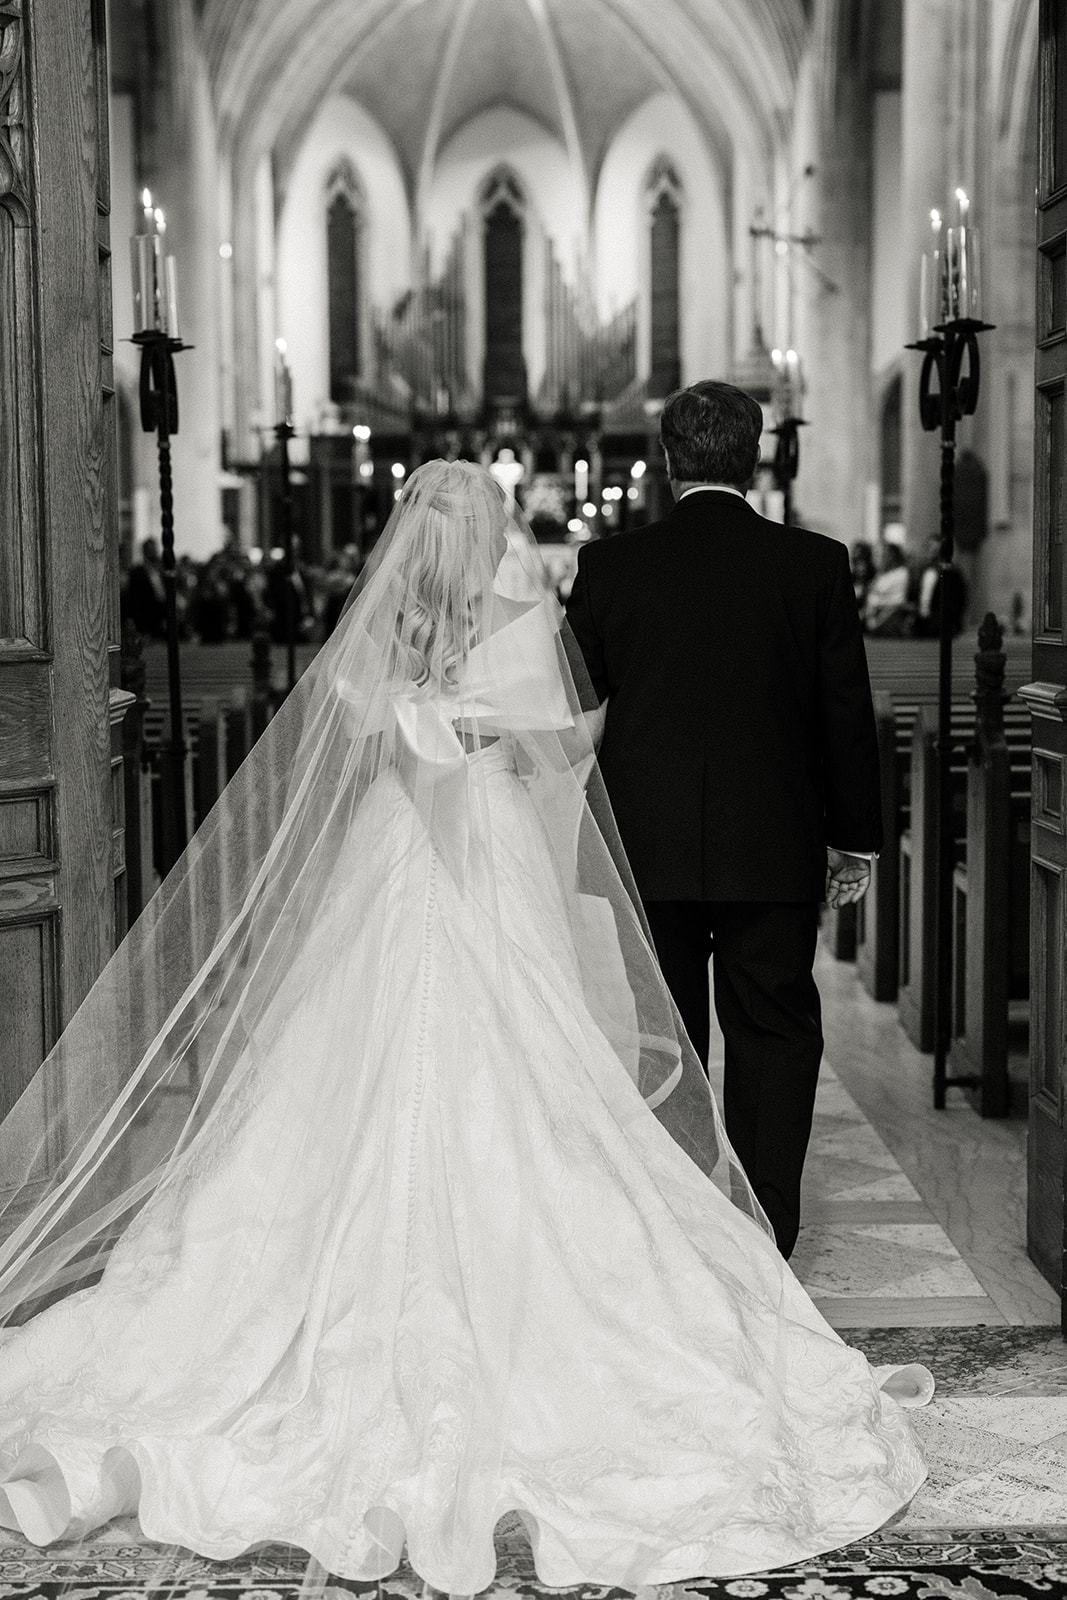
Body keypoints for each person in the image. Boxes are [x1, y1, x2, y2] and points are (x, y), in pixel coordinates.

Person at [0, 462, 929, 1597]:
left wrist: (431, 721)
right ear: (486, 537)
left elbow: (358, 756)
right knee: (528, 1064)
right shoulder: (516, 621)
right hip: (480, 858)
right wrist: (506, 725)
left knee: (349, 1061)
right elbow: (554, 755)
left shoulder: (374, 636)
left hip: (394, 862)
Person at [566, 382, 881, 1259]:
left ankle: (678, 1225)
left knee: (665, 1030)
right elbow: (842, 711)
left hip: (648, 844)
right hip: (770, 843)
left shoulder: (610, 567)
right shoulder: (812, 564)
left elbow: (574, 704)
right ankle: (764, 1226)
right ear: (755, 459)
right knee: (774, 1027)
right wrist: (850, 834)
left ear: (668, 463)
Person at [912, 535, 966, 638]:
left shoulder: (951, 572)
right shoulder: (922, 570)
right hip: (922, 624)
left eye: (934, 549)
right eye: (928, 547)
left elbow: (958, 600)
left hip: (940, 624)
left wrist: (952, 622)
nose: (930, 551)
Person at [862, 542, 913, 636]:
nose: (879, 559)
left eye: (883, 555)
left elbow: (899, 601)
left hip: (889, 614)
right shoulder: (881, 574)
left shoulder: (902, 573)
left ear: (892, 556)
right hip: (873, 614)